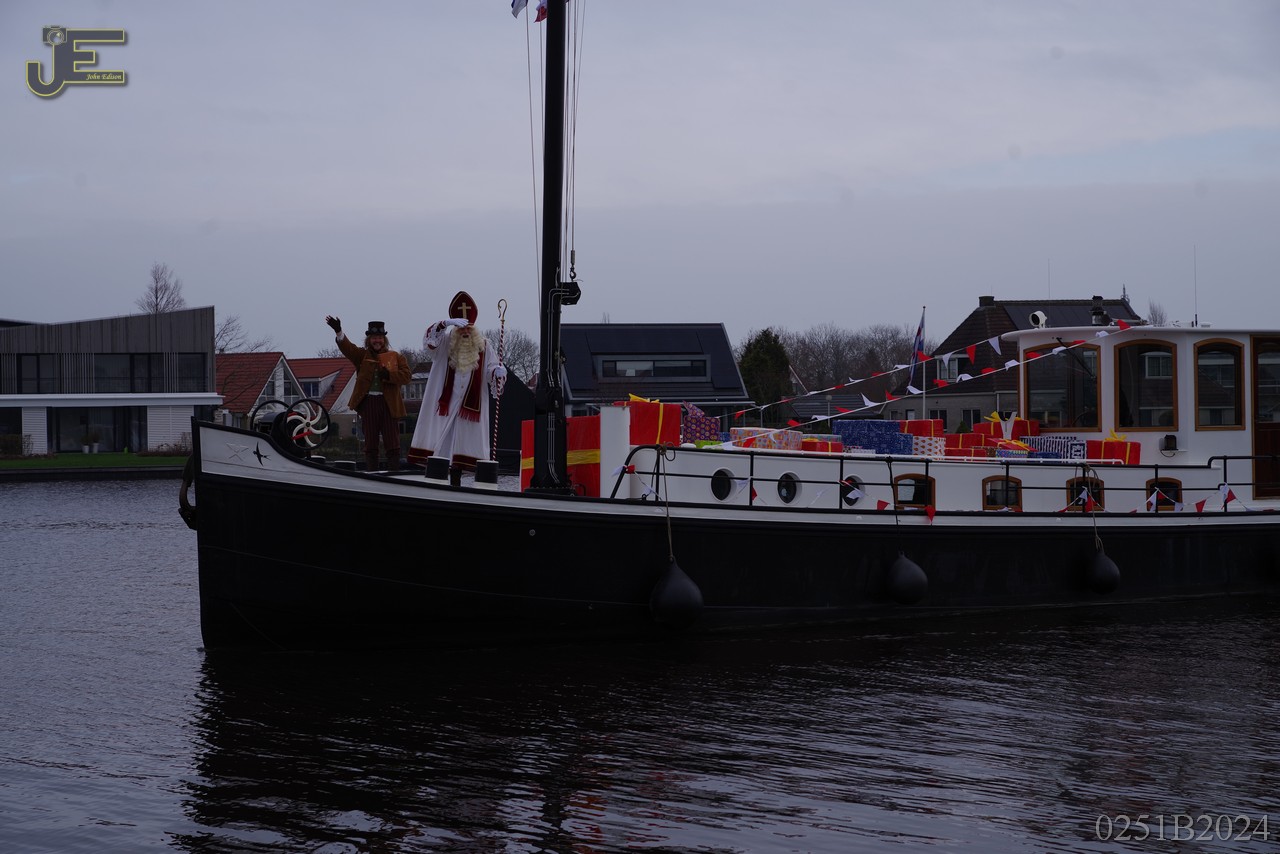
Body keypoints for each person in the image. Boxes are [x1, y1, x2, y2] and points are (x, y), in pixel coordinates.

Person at [407, 291, 507, 471]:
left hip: (471, 405)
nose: (465, 332)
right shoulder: (445, 343)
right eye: (461, 328)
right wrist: (444, 323)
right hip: (445, 402)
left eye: (469, 328)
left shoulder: (484, 345)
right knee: (441, 444)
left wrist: (497, 373)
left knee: (464, 445)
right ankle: (438, 475)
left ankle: (457, 476)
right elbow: (429, 341)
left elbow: (491, 369)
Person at [325, 316, 412, 472]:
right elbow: (348, 348)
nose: (377, 341)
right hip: (369, 403)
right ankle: (372, 474)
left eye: (380, 338)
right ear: (369, 340)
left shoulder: (396, 357)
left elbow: (406, 376)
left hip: (389, 405)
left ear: (384, 340)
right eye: (374, 338)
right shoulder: (362, 356)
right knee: (370, 443)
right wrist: (339, 331)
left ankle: (394, 474)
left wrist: (390, 376)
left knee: (392, 443)